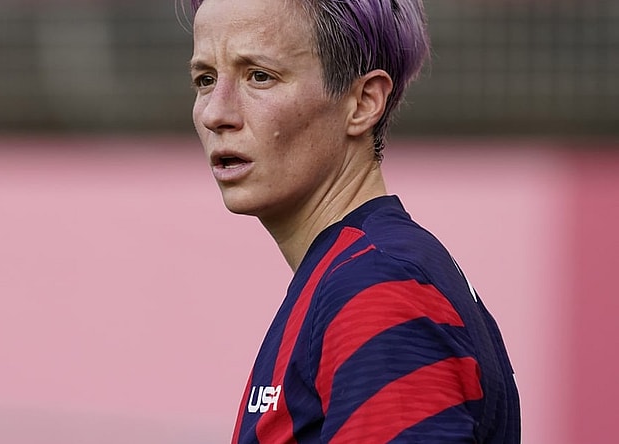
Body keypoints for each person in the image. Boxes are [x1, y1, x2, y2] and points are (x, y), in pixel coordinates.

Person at [186, 0, 521, 442]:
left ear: (363, 102)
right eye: (206, 79)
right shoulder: (355, 273)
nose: (215, 113)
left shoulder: (379, 286)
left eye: (259, 76)